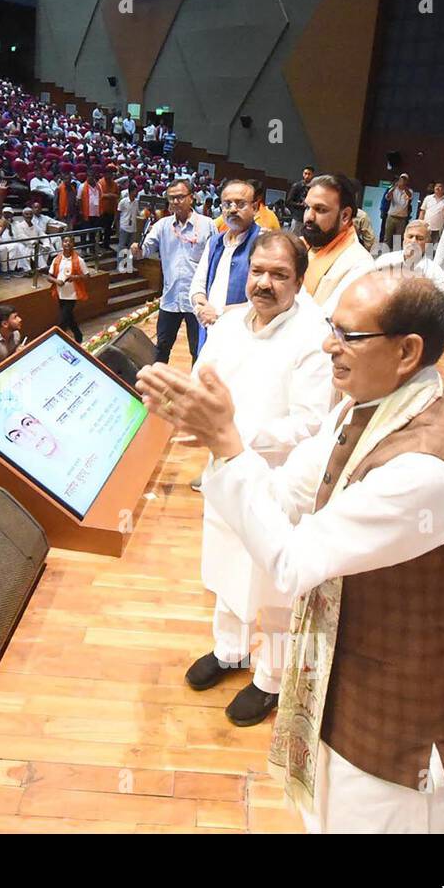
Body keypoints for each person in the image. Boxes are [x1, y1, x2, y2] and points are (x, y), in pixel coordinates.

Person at [139, 269, 444, 833]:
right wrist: (224, 442)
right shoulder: (360, 408)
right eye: (331, 329)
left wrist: (227, 444)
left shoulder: (426, 466)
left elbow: (295, 562)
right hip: (335, 662)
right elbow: (285, 494)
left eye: (349, 335)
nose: (328, 345)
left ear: (407, 351)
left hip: (397, 703)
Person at [182, 231, 332, 726]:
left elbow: (311, 422)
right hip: (224, 470)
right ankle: (229, 651)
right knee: (225, 565)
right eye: (258, 271)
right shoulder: (228, 324)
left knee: (274, 586)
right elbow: (201, 377)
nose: (264, 283)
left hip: (278, 480)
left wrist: (231, 433)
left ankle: (269, 677)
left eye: (279, 274)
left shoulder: (313, 334)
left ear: (300, 279)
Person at [132, 179, 214, 365]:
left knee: (198, 349)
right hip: (170, 299)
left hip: (197, 301)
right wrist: (137, 251)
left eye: (180, 197)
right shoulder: (162, 225)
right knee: (161, 347)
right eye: (171, 198)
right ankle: (156, 388)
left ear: (191, 198)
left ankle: (195, 389)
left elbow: (214, 260)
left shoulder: (207, 225)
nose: (175, 202)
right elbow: (144, 251)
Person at [190, 179, 262, 352]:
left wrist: (219, 313)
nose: (232, 209)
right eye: (227, 204)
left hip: (243, 337)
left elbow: (264, 302)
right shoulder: (215, 241)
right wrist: (201, 307)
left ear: (255, 207)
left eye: (240, 204)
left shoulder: (264, 243)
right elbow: (198, 284)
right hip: (208, 328)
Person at [299, 174, 375, 314]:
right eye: (307, 207)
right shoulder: (300, 245)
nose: (309, 217)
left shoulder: (360, 266)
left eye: (320, 210)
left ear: (345, 216)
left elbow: (331, 325)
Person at [372, 220, 444, 293]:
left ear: (428, 243)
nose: (413, 241)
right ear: (404, 238)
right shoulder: (385, 260)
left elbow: (441, 301)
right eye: (410, 236)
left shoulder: (434, 272)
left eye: (419, 238)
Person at [47, 235, 89, 343]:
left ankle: (57, 341)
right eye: (65, 241)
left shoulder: (79, 260)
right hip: (60, 293)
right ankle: (78, 336)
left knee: (62, 321)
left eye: (70, 242)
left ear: (73, 244)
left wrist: (75, 277)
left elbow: (87, 276)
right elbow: (49, 277)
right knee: (70, 319)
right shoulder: (57, 259)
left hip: (72, 294)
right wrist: (57, 282)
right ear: (62, 244)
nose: (67, 244)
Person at [381, 173, 413, 245]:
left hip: (402, 218)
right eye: (401, 179)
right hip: (391, 216)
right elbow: (388, 197)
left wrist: (404, 187)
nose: (403, 181)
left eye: (405, 180)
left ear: (407, 182)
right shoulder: (393, 189)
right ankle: (385, 254)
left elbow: (410, 196)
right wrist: (394, 187)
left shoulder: (409, 191)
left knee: (398, 239)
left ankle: (396, 254)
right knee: (387, 237)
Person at [418, 180, 444, 246]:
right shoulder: (428, 198)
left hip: (437, 229)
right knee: (422, 244)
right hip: (426, 226)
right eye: (436, 186)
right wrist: (420, 223)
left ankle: (428, 256)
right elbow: (422, 211)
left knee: (431, 247)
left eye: (440, 186)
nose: (437, 188)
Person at [285, 166, 314, 234]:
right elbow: (288, 201)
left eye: (309, 174)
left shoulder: (313, 187)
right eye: (305, 173)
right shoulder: (297, 186)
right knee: (293, 238)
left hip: (308, 218)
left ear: (312, 175)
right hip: (298, 217)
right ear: (303, 174)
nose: (307, 176)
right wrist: (300, 205)